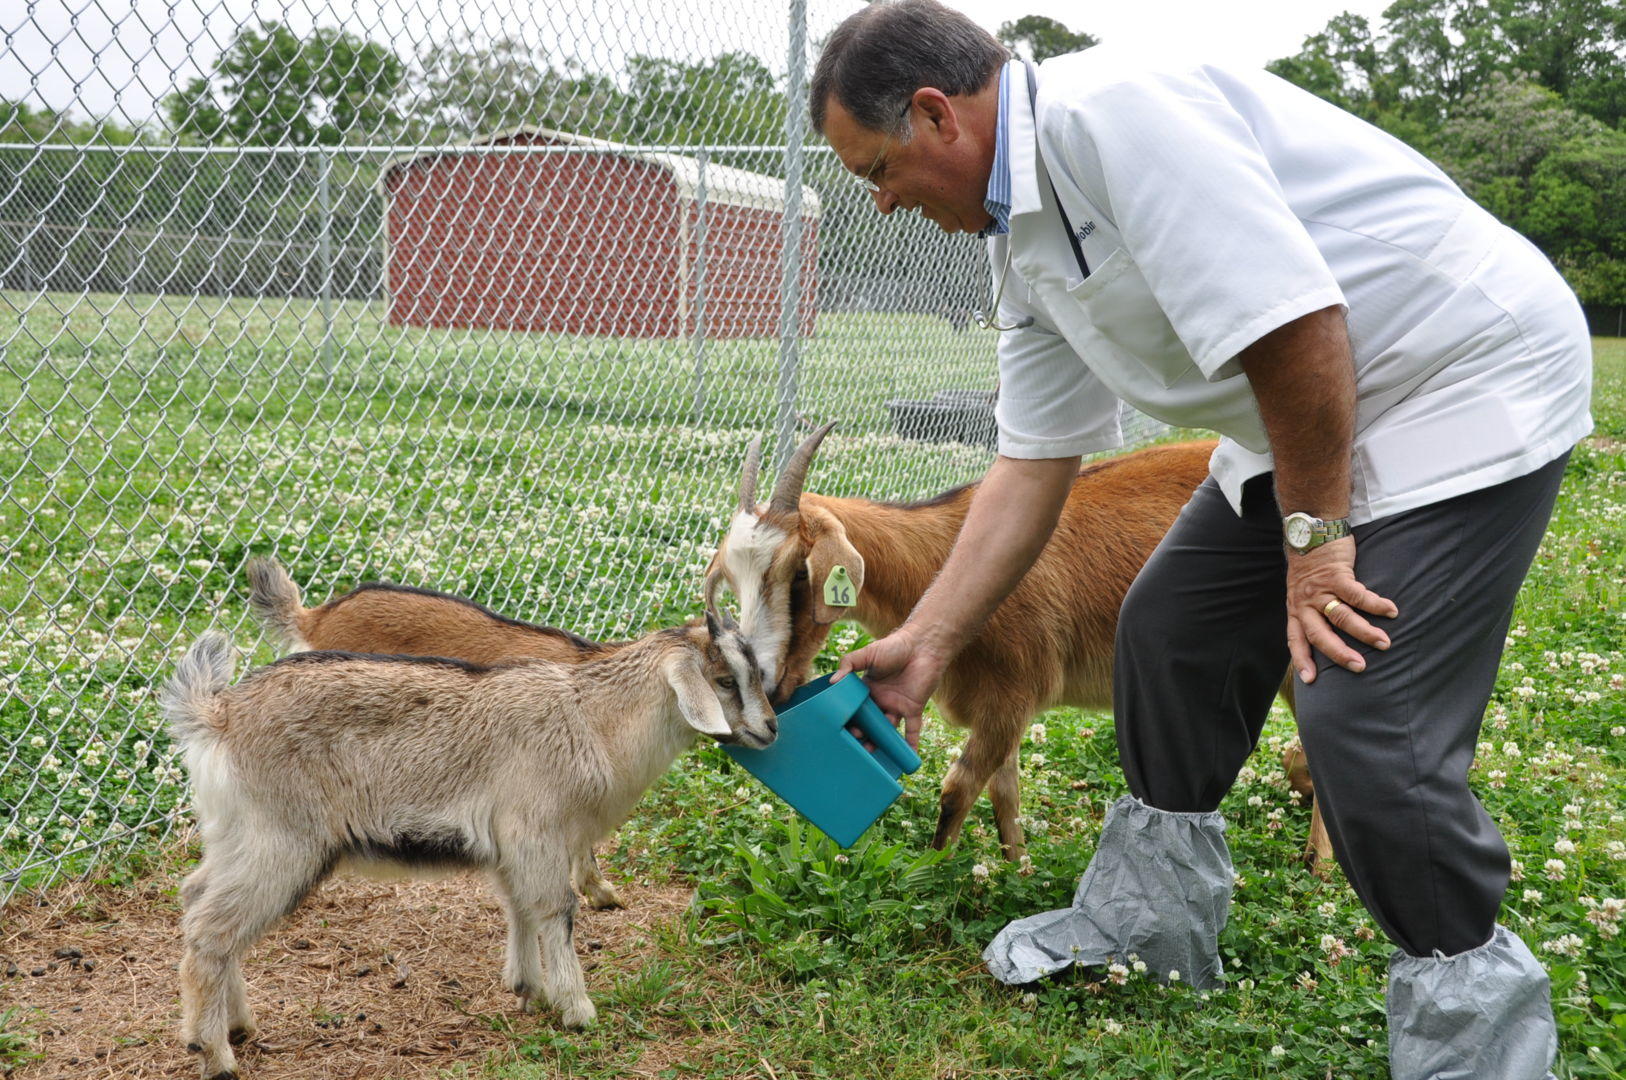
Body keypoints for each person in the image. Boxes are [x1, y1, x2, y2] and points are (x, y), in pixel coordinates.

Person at [814, 2, 1593, 1078]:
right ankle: (1149, 925)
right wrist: (934, 637)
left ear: (938, 116)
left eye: (877, 170)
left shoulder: (1120, 115)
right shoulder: (1022, 234)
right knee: (1171, 633)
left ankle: (1482, 1043)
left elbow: (1297, 326)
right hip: (1309, 415)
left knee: (1360, 706)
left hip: (1459, 382)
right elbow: (1036, 460)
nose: (884, 203)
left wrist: (1314, 546)